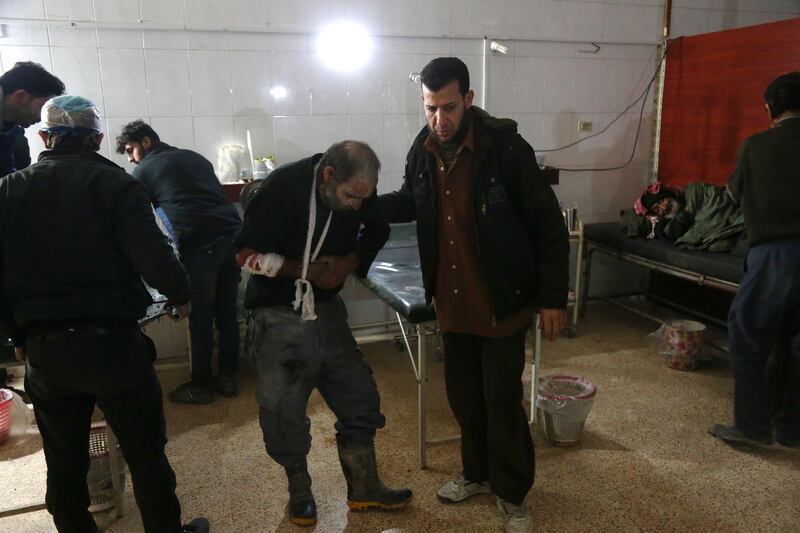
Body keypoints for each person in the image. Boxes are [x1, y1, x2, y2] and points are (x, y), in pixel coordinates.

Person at [378, 57, 570, 533]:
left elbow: (547, 225)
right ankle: (476, 474)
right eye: (429, 109)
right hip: (452, 300)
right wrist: (361, 202)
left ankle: (512, 493)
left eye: (448, 107)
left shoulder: (505, 149)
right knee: (464, 397)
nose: (439, 120)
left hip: (502, 300)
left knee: (500, 399)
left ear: (468, 99)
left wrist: (552, 299)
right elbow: (409, 201)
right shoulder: (421, 151)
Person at [0, 96, 208, 533]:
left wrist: (14, 333)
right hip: (113, 347)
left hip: (46, 350)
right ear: (96, 138)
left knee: (64, 464)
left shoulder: (8, 189)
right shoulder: (115, 184)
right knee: (146, 456)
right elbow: (153, 254)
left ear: (43, 137)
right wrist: (181, 292)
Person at [235, 140, 412, 527]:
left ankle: (364, 487)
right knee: (283, 409)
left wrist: (348, 262)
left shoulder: (361, 193)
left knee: (359, 394)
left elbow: (376, 230)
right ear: (328, 176)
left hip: (327, 312)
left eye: (362, 198)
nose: (355, 205)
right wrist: (306, 271)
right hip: (276, 312)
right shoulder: (282, 187)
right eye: (350, 196)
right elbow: (245, 254)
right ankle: (299, 489)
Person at [116, 121, 242, 404]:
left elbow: (138, 219)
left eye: (130, 149)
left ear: (146, 142)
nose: (130, 158)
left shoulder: (144, 170)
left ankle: (201, 385)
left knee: (200, 318)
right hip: (234, 239)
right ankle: (228, 377)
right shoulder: (196, 158)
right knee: (227, 313)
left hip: (200, 245)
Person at [710, 71, 800, 449]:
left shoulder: (755, 146)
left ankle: (752, 427)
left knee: (747, 337)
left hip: (773, 256)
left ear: (769, 109)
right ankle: (793, 430)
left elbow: (731, 195)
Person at [630, 181, 745, 251]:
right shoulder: (674, 223)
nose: (664, 207)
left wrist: (684, 218)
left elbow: (715, 211)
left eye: (663, 200)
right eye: (657, 209)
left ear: (670, 195)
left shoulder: (694, 190)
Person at [0, 61, 64, 176]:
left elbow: (5, 175)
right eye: (43, 108)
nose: (44, 117)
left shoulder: (12, 132)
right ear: (21, 97)